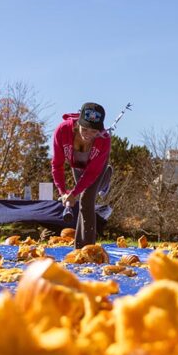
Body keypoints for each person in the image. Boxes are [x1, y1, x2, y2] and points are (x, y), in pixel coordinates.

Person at [52, 102, 113, 248]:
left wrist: (74, 193)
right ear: (77, 123)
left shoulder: (104, 140)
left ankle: (87, 248)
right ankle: (79, 248)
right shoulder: (62, 131)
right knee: (81, 198)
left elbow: (91, 173)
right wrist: (64, 192)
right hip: (77, 165)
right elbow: (57, 164)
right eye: (84, 129)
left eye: (94, 132)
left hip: (95, 167)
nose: (88, 135)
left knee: (86, 200)